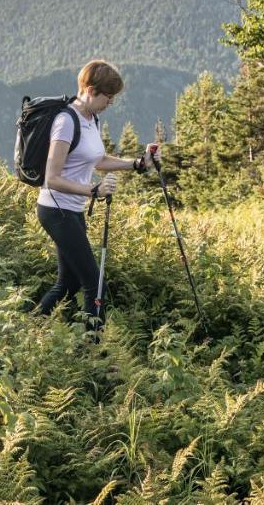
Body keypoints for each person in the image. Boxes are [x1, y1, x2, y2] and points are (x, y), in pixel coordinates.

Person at [35, 60, 160, 329]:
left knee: (68, 282)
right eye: (108, 96)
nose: (111, 102)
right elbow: (52, 178)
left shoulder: (91, 119)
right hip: (55, 209)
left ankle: (31, 328)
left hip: (72, 209)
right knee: (94, 282)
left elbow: (98, 160)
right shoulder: (66, 121)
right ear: (91, 90)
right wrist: (93, 190)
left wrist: (136, 164)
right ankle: (96, 352)